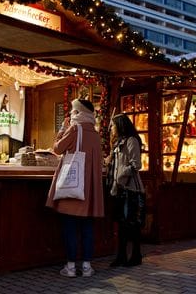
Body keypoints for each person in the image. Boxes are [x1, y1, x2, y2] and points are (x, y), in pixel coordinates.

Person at [46, 99, 105, 277]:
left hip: (73, 185)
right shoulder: (95, 133)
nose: (71, 114)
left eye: (73, 111)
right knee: (87, 227)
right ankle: (87, 266)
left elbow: (57, 149)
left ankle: (71, 267)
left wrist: (62, 130)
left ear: (78, 113)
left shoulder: (74, 129)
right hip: (89, 189)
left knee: (70, 227)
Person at [107, 114, 146, 267]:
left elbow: (136, 164)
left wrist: (121, 175)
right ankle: (121, 256)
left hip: (130, 189)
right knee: (122, 224)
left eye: (114, 125)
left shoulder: (132, 141)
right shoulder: (118, 143)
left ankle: (136, 255)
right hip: (119, 189)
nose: (112, 128)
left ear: (121, 126)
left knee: (132, 224)